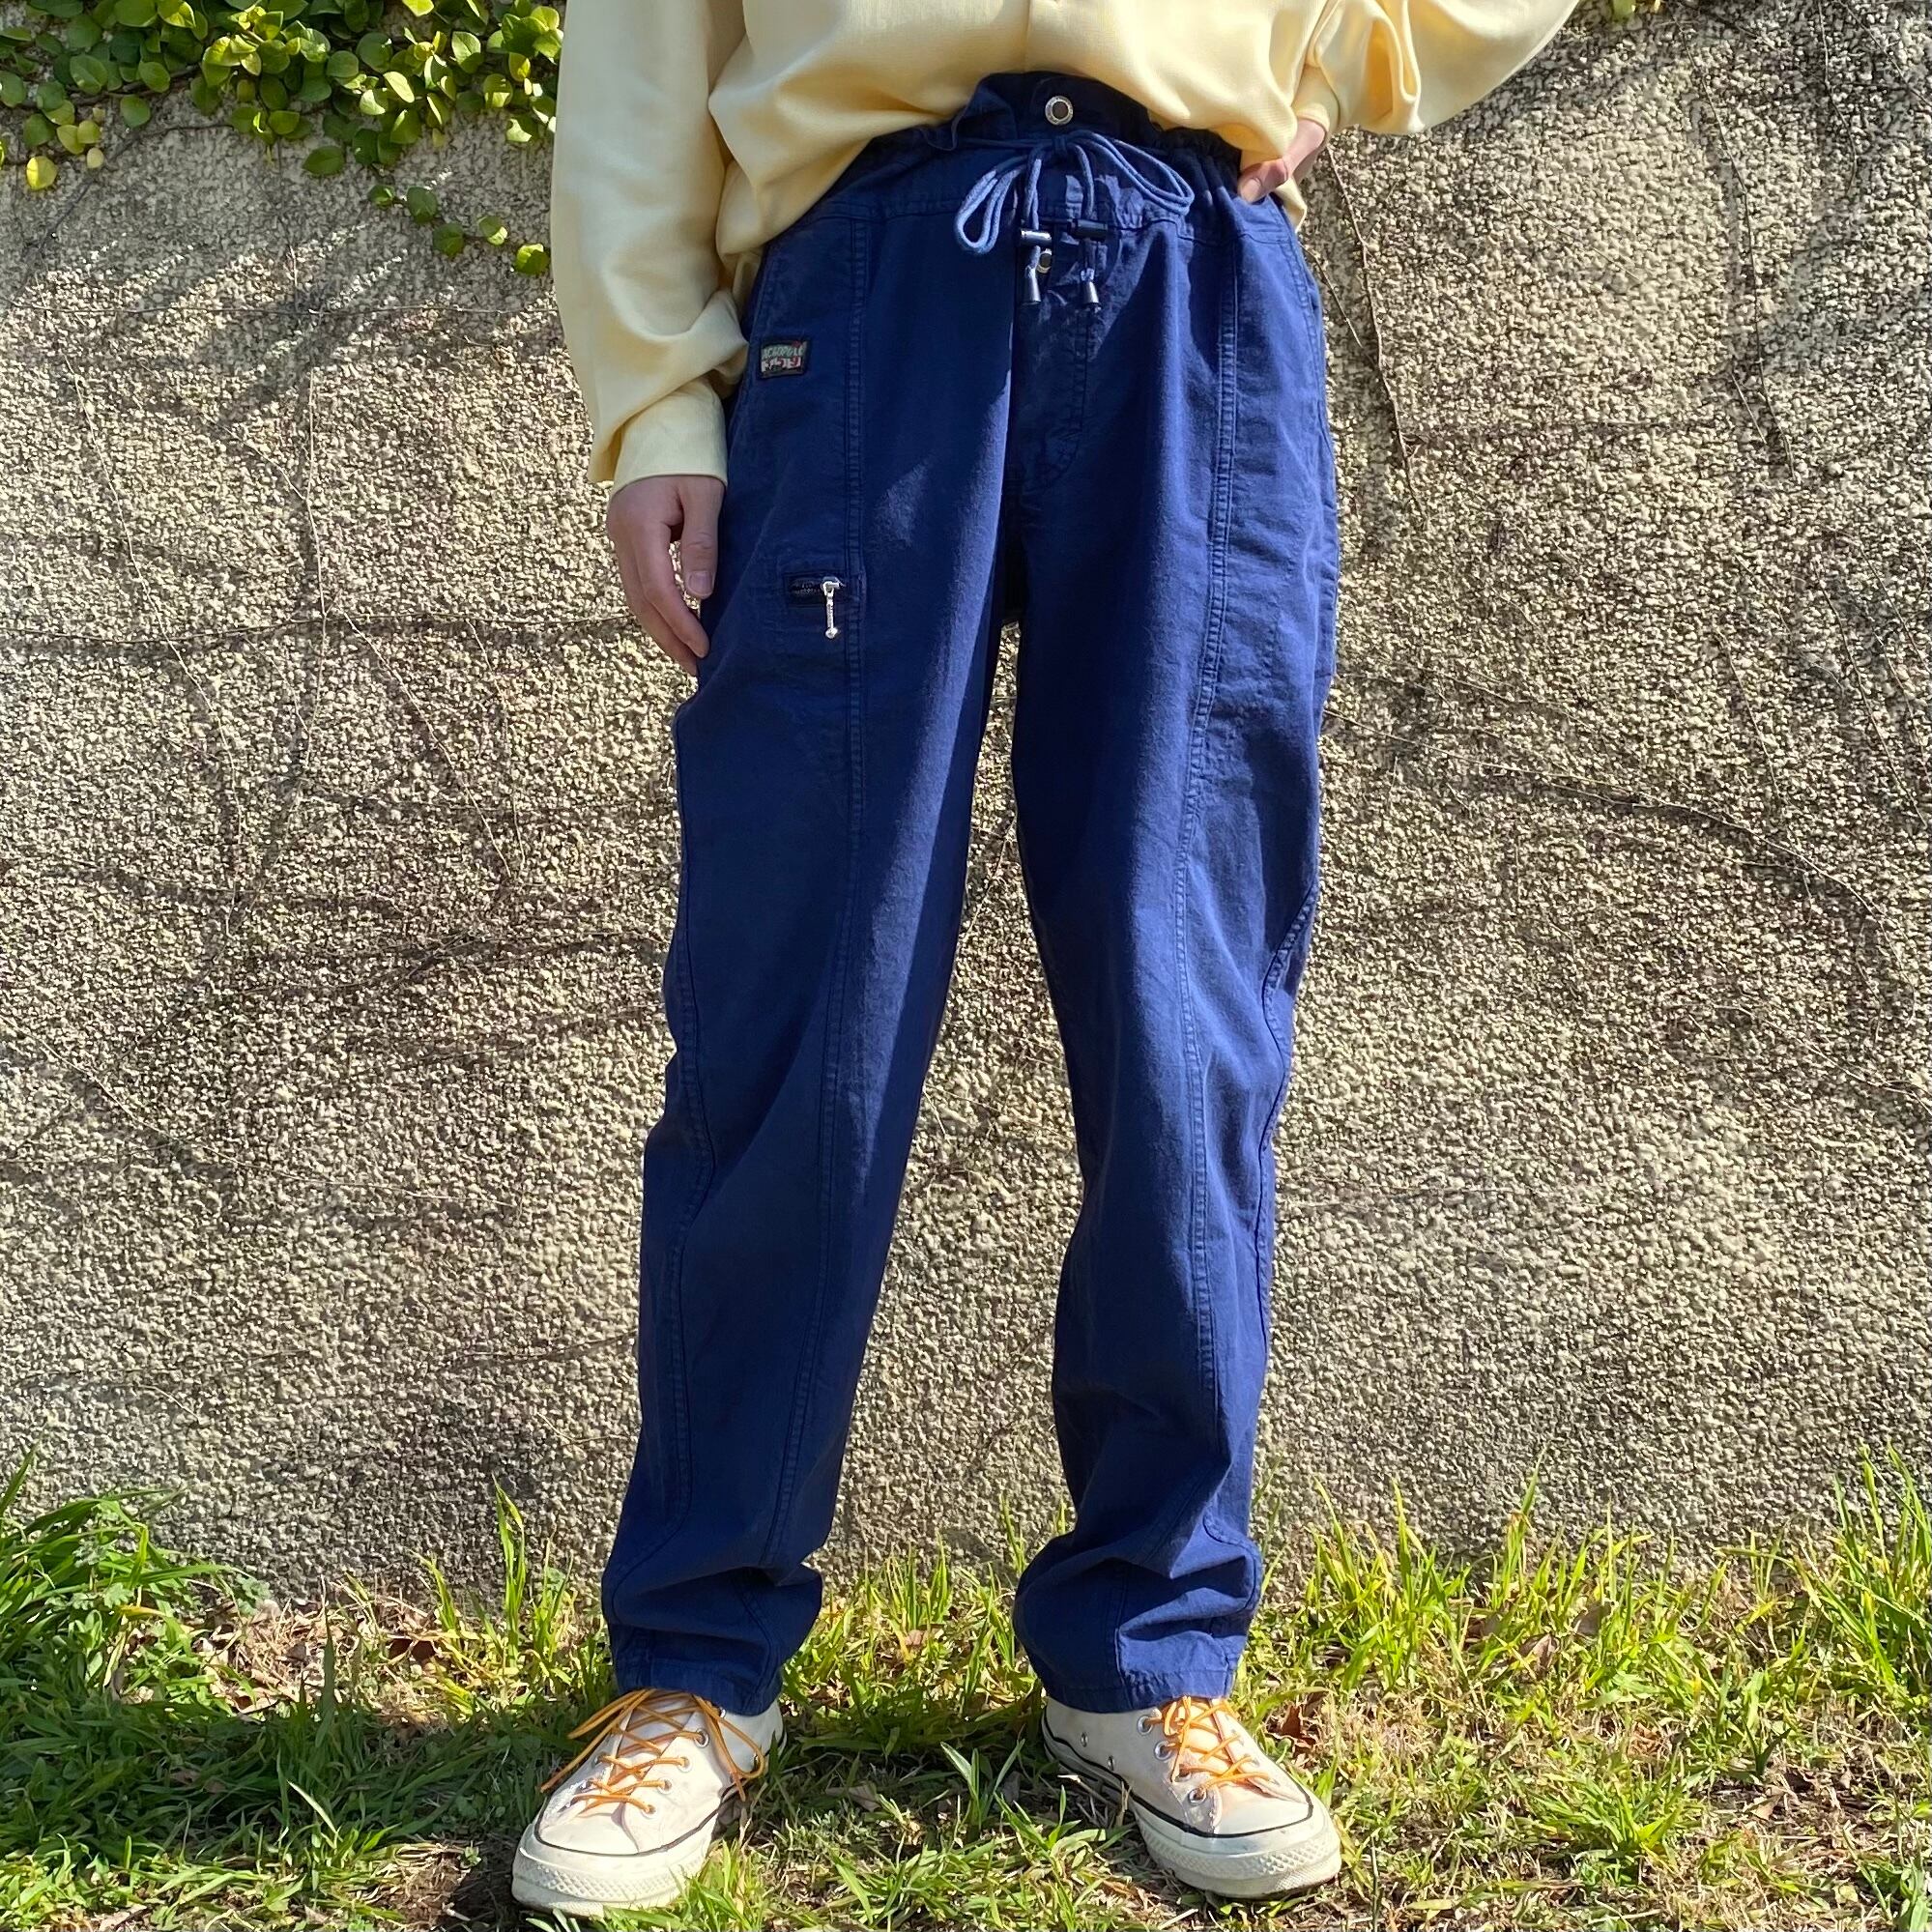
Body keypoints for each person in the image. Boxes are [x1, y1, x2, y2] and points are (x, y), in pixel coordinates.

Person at [516, 1, 1572, 1917]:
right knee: (796, 1021)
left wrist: (1341, 56)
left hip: (1189, 282)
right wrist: (658, 401)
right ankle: (696, 1660)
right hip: (857, 297)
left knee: (1185, 1024)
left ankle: (1147, 1652)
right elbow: (646, 45)